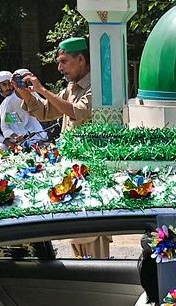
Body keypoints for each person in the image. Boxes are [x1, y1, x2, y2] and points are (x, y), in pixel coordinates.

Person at [16, 38, 109, 258]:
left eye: (64, 62)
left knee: (93, 238)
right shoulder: (71, 87)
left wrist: (43, 90)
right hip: (72, 170)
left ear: (81, 59)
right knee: (76, 234)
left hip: (90, 172)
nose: (60, 68)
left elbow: (77, 112)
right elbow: (46, 112)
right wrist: (28, 95)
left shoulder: (98, 86)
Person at [0, 69, 49, 146]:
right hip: (23, 141)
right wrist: (16, 136)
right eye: (20, 82)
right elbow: (6, 128)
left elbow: (46, 107)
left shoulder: (32, 93)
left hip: (39, 135)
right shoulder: (8, 103)